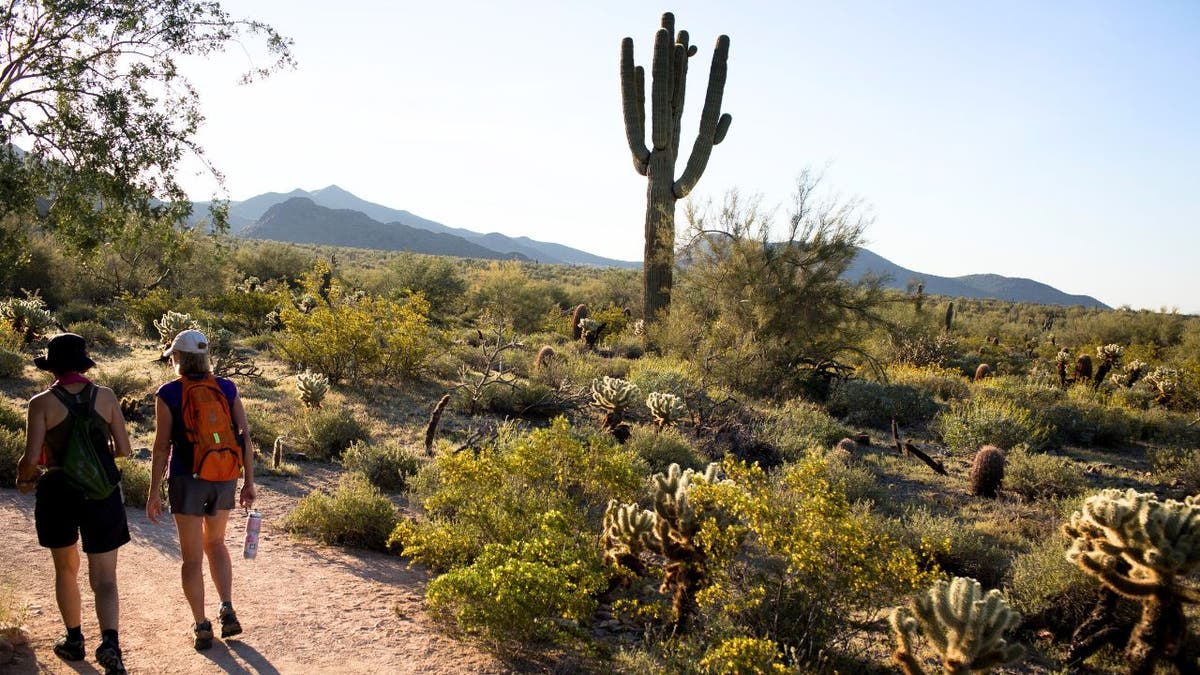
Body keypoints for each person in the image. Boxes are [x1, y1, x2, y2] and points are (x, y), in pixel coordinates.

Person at [16, 333, 131, 675]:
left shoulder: (41, 403)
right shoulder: (107, 396)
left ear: (52, 367)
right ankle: (110, 643)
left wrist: (23, 480)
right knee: (106, 578)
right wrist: (96, 461)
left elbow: (30, 458)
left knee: (66, 569)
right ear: (83, 364)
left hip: (58, 492)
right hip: (103, 494)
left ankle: (74, 640)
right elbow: (124, 449)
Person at [146, 329, 256, 650]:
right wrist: (248, 482)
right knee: (217, 543)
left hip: (186, 479)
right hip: (224, 475)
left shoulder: (168, 393)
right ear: (205, 357)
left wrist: (154, 492)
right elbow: (244, 438)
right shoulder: (226, 387)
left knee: (192, 558)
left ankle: (202, 625)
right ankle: (227, 608)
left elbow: (160, 447)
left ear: (177, 358)